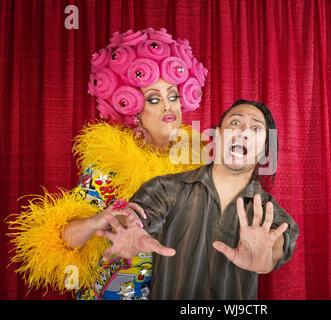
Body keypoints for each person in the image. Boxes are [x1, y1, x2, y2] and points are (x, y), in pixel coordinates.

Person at [7, 27, 208, 300]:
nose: (168, 107)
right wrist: (98, 221)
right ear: (135, 109)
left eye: (173, 96)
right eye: (154, 98)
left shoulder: (199, 167)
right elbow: (64, 239)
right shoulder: (111, 165)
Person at [97, 100, 300, 299]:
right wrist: (130, 225)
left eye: (255, 128)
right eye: (235, 123)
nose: (243, 131)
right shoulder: (166, 188)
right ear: (217, 136)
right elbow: (138, 216)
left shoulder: (268, 212)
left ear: (264, 150)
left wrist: (268, 254)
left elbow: (279, 240)